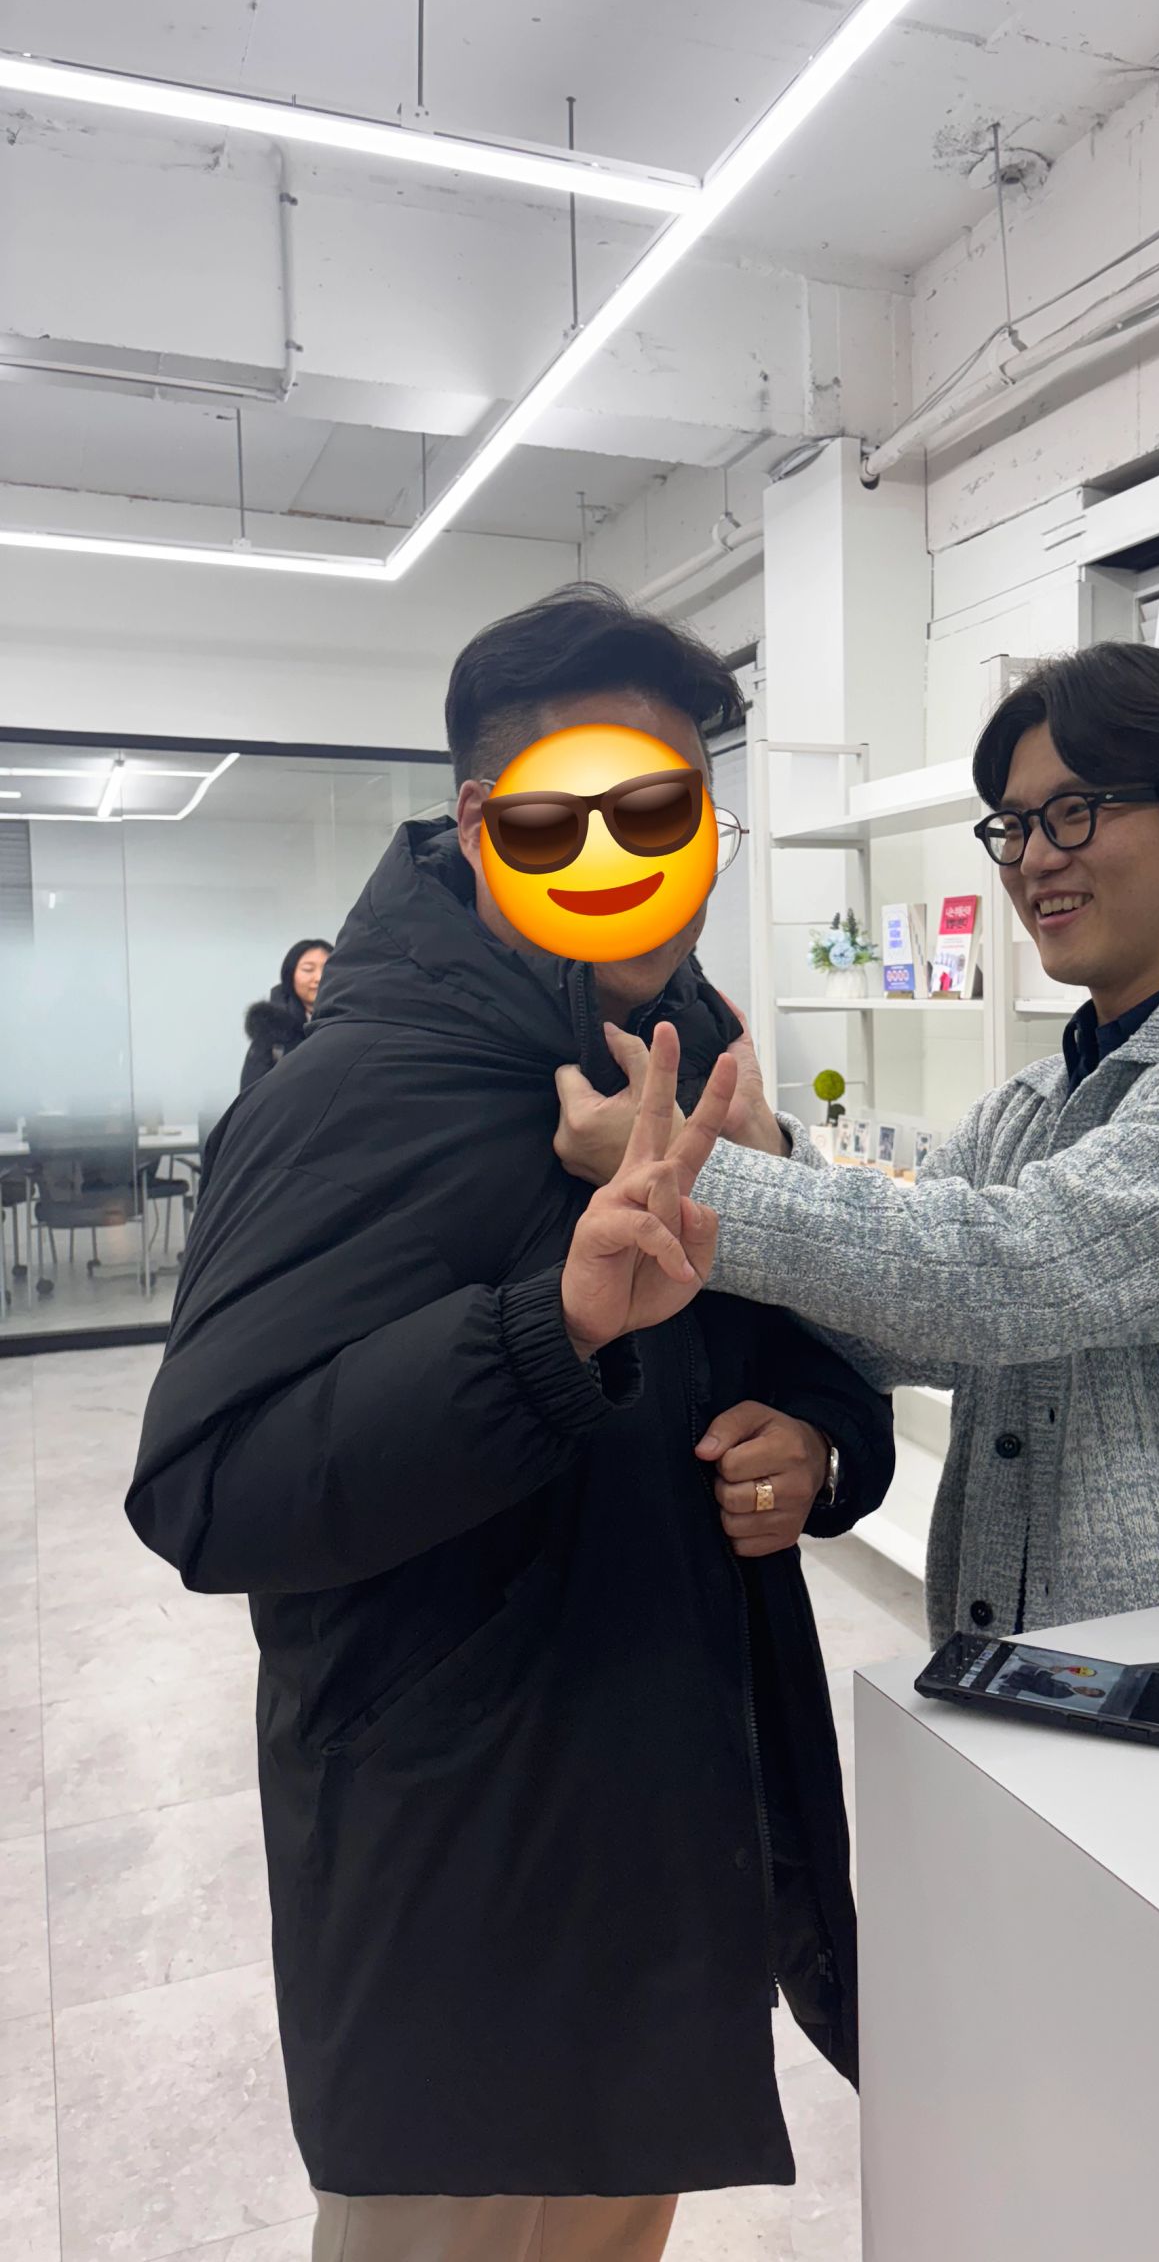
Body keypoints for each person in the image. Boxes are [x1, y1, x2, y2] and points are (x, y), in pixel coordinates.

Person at [125, 584, 894, 2262]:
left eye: (670, 812)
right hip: (459, 1863)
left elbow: (804, 1343)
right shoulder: (354, 1092)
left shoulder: (698, 1056)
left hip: (664, 1821)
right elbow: (209, 1487)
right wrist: (552, 1330)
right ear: (484, 824)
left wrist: (818, 1440)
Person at [559, 640, 1159, 1649]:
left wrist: (684, 1176)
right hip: (1031, 1668)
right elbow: (908, 1327)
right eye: (1014, 826)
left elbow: (1016, 1275)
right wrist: (774, 1156)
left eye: (1075, 813)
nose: (1034, 859)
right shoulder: (1036, 1104)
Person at [240, 936, 332, 1091]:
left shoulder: (353, 1020)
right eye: (308, 969)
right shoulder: (271, 1027)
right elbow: (252, 1093)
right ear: (290, 975)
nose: (319, 978)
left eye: (327, 969)